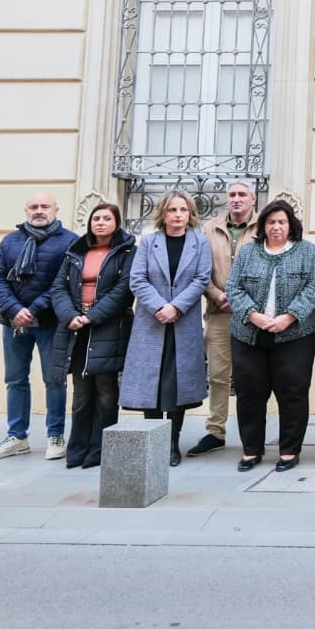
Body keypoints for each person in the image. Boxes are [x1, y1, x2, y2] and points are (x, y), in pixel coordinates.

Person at [226, 198, 315, 473]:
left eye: (282, 222)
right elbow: (233, 286)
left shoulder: (307, 251)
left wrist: (289, 316)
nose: (276, 227)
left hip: (296, 335)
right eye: (271, 222)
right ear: (263, 225)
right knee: (250, 392)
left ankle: (289, 450)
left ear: (291, 224)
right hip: (249, 334)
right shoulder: (248, 251)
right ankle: (251, 450)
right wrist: (252, 314)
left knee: (292, 391)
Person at [0, 191, 75, 461]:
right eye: (33, 207)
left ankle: (55, 435)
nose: (39, 210)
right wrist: (14, 310)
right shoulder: (10, 241)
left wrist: (33, 309)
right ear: (26, 211)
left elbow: (64, 283)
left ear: (56, 210)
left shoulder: (70, 241)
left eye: (45, 206)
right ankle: (17, 437)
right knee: (15, 380)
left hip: (50, 323)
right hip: (13, 323)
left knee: (54, 380)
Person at [123, 190, 213, 466]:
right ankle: (154, 443)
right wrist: (161, 306)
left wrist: (176, 307)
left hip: (183, 323)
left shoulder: (200, 242)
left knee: (177, 385)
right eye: (172, 210)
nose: (177, 215)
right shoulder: (149, 242)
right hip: (152, 322)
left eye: (183, 210)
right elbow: (137, 279)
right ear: (163, 213)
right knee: (151, 384)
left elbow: (202, 279)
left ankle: (173, 443)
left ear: (190, 214)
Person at [47, 202, 134, 469]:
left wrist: (92, 316)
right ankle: (77, 449)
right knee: (82, 392)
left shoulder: (126, 251)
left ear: (116, 223)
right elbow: (58, 287)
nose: (101, 223)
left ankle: (100, 449)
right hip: (75, 327)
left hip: (108, 327)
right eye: (96, 218)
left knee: (106, 391)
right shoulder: (75, 251)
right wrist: (69, 315)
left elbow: (124, 290)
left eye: (107, 218)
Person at [188, 181, 258, 458]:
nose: (236, 199)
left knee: (252, 377)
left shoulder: (263, 226)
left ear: (253, 199)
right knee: (217, 375)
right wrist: (217, 295)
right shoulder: (209, 228)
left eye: (242, 194)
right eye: (232, 195)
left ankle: (252, 434)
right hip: (219, 312)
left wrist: (244, 301)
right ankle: (215, 431)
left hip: (253, 315)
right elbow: (200, 270)